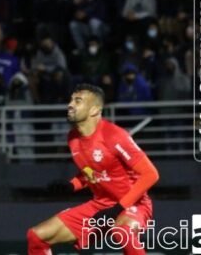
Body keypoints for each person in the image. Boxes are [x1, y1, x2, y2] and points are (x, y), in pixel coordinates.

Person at [27, 84, 160, 254]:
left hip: (133, 205)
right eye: (70, 100)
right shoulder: (73, 138)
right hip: (100, 206)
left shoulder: (114, 135)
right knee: (36, 235)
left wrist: (117, 209)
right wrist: (71, 185)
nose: (70, 104)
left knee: (121, 231)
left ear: (94, 110)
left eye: (78, 101)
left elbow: (151, 174)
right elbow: (92, 172)